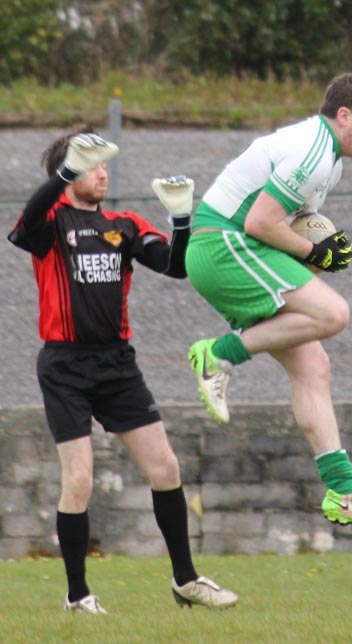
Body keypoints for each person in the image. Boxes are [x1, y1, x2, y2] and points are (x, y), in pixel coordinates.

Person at [7, 128, 237, 614]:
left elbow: (177, 267)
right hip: (64, 366)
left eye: (104, 163)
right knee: (80, 479)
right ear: (67, 173)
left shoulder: (124, 224)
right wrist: (67, 168)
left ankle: (186, 580)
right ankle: (77, 596)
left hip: (117, 365)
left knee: (166, 467)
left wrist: (180, 218)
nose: (103, 171)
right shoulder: (50, 222)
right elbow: (24, 226)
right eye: (92, 164)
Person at [185, 72, 352, 533]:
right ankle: (218, 355)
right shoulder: (313, 150)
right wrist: (314, 252)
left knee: (313, 366)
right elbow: (261, 222)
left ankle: (344, 491)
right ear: (344, 115)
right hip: (221, 245)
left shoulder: (329, 157)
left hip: (233, 247)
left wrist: (313, 251)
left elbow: (284, 224)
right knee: (333, 313)